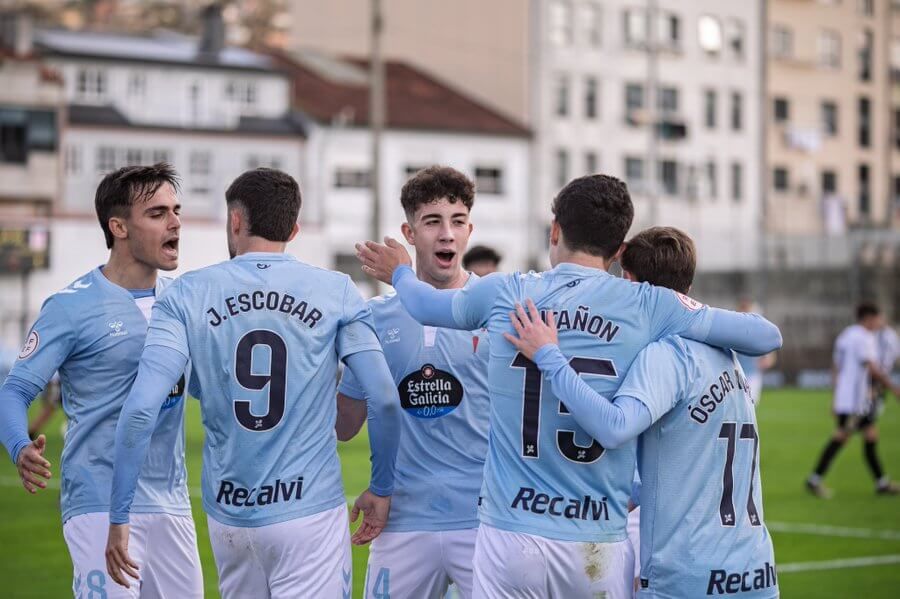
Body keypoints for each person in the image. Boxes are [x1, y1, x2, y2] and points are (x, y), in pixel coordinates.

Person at [356, 174, 782, 598]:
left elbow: (423, 305)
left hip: (512, 534)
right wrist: (689, 312)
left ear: (555, 229)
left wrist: (401, 274)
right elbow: (766, 336)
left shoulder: (507, 292)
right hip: (595, 542)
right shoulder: (649, 303)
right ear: (619, 251)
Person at [105, 168, 401, 599]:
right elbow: (386, 401)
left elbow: (140, 409)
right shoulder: (335, 290)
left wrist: (118, 516)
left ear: (235, 222)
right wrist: (382, 486)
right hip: (308, 513)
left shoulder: (185, 294)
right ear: (294, 228)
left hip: (231, 516)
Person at [505, 226, 779, 598]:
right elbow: (691, 462)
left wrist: (549, 358)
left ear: (632, 284)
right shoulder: (724, 353)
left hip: (688, 577)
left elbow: (615, 427)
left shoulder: (668, 354)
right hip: (754, 572)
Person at [0, 164, 202, 598]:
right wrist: (19, 446)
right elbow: (14, 391)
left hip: (172, 504)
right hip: (97, 501)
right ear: (119, 226)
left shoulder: (182, 303)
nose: (175, 222)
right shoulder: (72, 307)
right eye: (157, 213)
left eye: (177, 210)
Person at [338, 166, 490, 598]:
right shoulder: (374, 318)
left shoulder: (495, 311)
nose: (447, 234)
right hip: (401, 519)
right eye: (432, 222)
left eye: (457, 222)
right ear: (409, 231)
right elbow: (344, 424)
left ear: (469, 230)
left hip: (483, 521)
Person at [806, 302, 900, 498]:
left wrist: (835, 397)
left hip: (849, 400)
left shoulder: (847, 335)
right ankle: (814, 479)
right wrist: (894, 388)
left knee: (870, 434)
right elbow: (872, 367)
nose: (880, 322)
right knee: (842, 437)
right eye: (878, 318)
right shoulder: (864, 337)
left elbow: (836, 367)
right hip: (855, 402)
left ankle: (881, 482)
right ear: (869, 318)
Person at [735, 298, 776, 405]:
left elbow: (770, 357)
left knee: (750, 404)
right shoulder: (733, 331)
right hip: (736, 374)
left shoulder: (758, 332)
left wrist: (763, 363)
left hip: (753, 374)